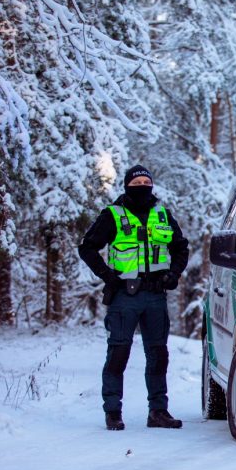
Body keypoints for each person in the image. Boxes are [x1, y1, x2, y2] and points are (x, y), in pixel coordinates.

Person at [79, 165, 190, 431]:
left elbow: (181, 248)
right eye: (137, 181)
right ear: (127, 185)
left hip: (155, 296)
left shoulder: (162, 214)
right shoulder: (113, 215)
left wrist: (173, 274)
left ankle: (158, 412)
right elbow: (87, 248)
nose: (142, 185)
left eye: (146, 181)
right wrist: (107, 275)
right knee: (119, 354)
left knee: (158, 355)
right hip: (124, 297)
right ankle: (113, 412)